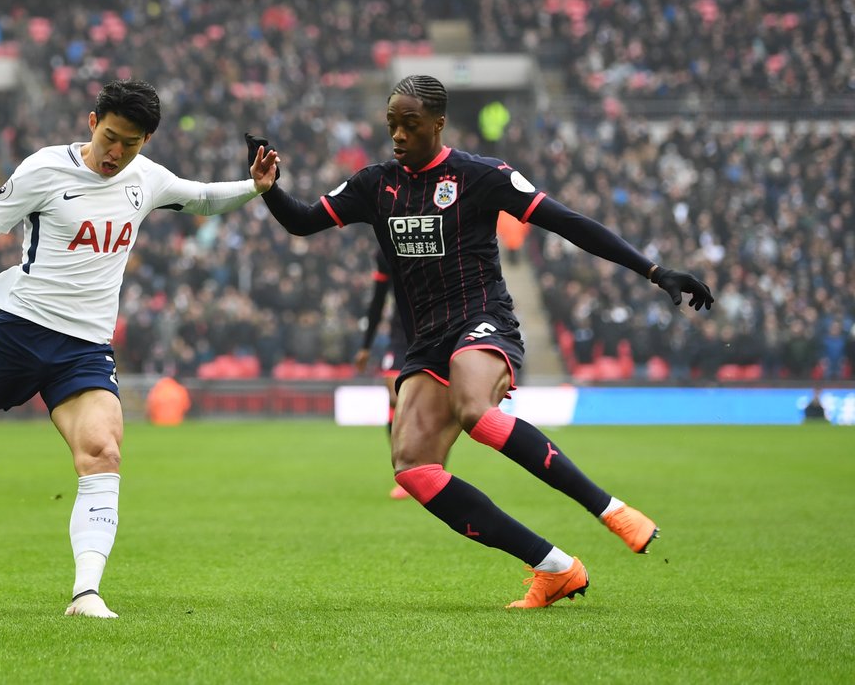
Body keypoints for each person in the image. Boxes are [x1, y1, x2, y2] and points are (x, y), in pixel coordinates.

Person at [249, 74, 713, 609]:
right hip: (426, 342)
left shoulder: (480, 175)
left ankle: (608, 508)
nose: (397, 135)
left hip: (481, 318)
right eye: (391, 125)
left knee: (475, 410)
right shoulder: (375, 184)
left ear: (439, 124)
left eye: (410, 124)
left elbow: (568, 222)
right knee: (413, 469)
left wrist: (654, 271)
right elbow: (304, 222)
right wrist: (269, 188)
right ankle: (554, 566)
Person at [0, 79, 280, 619]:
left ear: (146, 140)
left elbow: (198, 198)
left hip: (84, 349)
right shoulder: (44, 171)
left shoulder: (145, 179)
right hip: (18, 335)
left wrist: (255, 188)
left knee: (102, 452)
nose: (116, 152)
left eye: (130, 142)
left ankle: (86, 594)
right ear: (91, 122)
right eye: (109, 137)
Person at [354, 251, 412, 500]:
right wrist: (366, 346)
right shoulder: (385, 252)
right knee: (394, 398)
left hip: (436, 329)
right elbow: (377, 302)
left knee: (433, 405)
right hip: (400, 337)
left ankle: (432, 468)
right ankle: (405, 475)